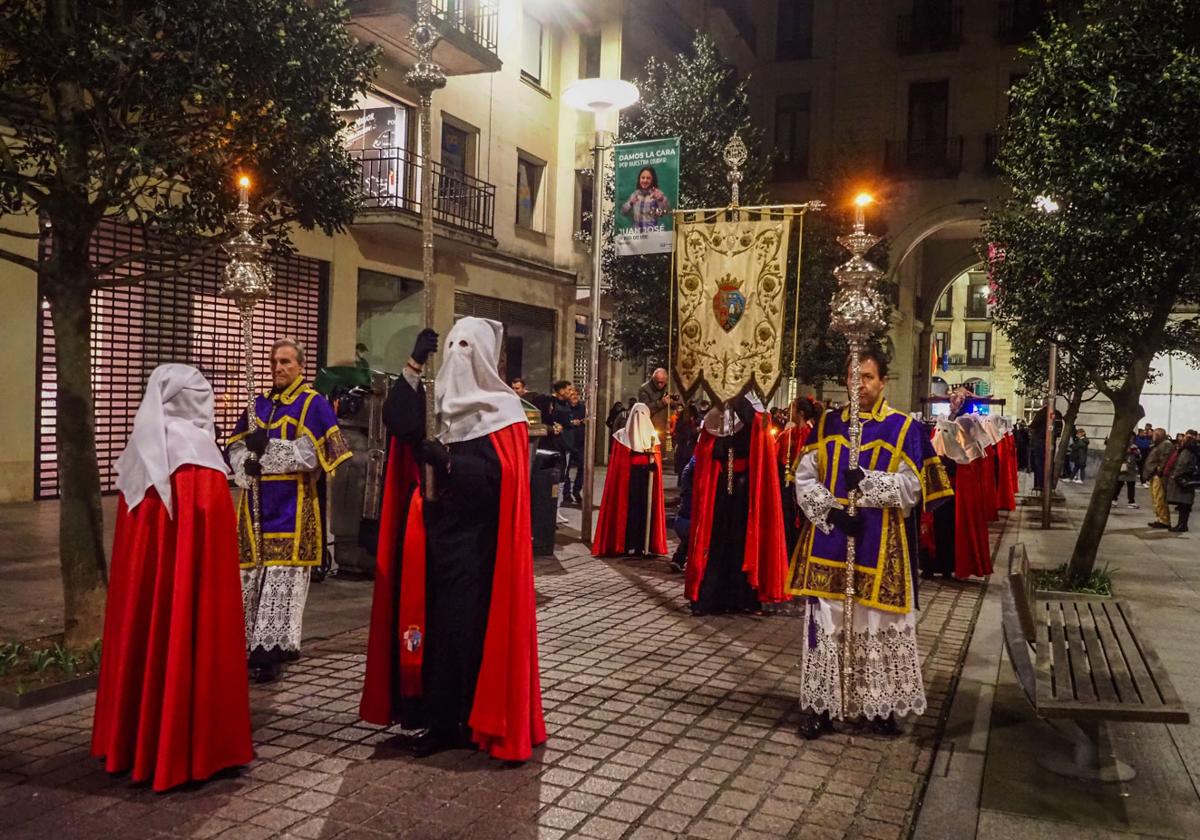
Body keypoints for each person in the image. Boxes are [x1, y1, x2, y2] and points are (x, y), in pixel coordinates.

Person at [360, 319, 546, 761]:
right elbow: (398, 421)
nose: (457, 353)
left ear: (482, 354)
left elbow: (500, 482)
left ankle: (462, 720)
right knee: (426, 627)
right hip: (430, 535)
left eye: (467, 345)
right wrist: (412, 364)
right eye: (449, 345)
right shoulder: (434, 404)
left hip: (476, 546)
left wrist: (447, 464)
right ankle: (430, 716)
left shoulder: (505, 411)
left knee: (461, 632)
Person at [92, 365, 253, 791]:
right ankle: (193, 749)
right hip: (194, 590)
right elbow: (212, 535)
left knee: (145, 631)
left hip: (151, 591)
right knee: (192, 633)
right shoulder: (197, 454)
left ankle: (134, 741)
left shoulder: (139, 454)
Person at [788, 349, 928, 739]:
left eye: (866, 377)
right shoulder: (828, 425)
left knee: (877, 623)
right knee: (826, 625)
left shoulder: (903, 429)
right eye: (853, 377)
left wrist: (866, 483)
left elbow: (913, 487)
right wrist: (830, 511)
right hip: (831, 541)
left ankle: (877, 707)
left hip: (880, 544)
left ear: (883, 381)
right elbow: (803, 477)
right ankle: (821, 706)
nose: (859, 385)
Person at [227, 338, 351, 682]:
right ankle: (248, 643)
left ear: (300, 366)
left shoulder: (313, 404)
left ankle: (271, 650)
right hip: (255, 507)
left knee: (283, 577)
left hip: (293, 505)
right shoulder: (258, 405)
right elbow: (235, 447)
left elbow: (315, 453)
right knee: (252, 577)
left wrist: (268, 449)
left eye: (285, 362)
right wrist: (246, 463)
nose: (278, 368)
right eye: (274, 362)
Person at [684, 393, 788, 615]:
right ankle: (710, 596)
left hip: (745, 487)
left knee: (741, 540)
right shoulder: (719, 410)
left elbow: (760, 448)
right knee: (717, 539)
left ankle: (743, 597)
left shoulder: (756, 413)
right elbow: (707, 447)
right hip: (720, 485)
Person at [593, 403, 668, 558]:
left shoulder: (652, 437)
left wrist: (653, 464)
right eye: (637, 414)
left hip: (646, 479)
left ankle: (643, 545)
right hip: (628, 482)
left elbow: (656, 459)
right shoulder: (621, 436)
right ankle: (625, 545)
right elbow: (619, 465)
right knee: (628, 512)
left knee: (645, 511)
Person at [554, 383, 586, 506]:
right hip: (568, 442)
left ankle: (576, 490)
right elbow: (564, 422)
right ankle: (566, 494)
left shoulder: (582, 408)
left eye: (575, 394)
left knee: (582, 467)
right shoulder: (565, 407)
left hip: (580, 442)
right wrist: (572, 423)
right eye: (570, 393)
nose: (573, 396)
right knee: (565, 469)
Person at [1164, 431, 1198, 534]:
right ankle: (1182, 524)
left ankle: (1182, 525)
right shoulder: (1193, 451)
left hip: (1183, 481)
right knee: (1185, 505)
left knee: (1184, 505)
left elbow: (1181, 466)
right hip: (1188, 480)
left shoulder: (1186, 452)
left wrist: (1175, 475)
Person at [620, 165, 671, 231]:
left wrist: (662, 200)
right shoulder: (635, 194)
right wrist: (630, 203)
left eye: (648, 178)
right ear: (639, 179)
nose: (645, 180)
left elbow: (667, 213)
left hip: (652, 234)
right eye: (642, 178)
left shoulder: (657, 194)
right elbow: (623, 212)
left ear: (652, 180)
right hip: (636, 236)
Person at [1143, 427, 1175, 529]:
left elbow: (1165, 459)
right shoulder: (1160, 444)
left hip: (1158, 475)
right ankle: (1160, 518)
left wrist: (1158, 470)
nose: (1152, 436)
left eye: (1154, 435)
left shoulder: (1166, 444)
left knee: (1159, 498)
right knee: (1155, 498)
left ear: (1158, 435)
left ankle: (1164, 520)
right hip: (1154, 474)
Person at [670, 455, 696, 573]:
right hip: (690, 514)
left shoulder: (692, 463)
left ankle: (678, 559)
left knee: (688, 537)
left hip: (685, 514)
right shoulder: (700, 462)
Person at [638, 368, 671, 440]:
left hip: (667, 428)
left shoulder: (669, 387)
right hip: (651, 428)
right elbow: (645, 409)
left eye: (662, 382)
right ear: (653, 379)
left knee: (668, 450)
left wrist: (673, 402)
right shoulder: (644, 389)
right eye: (657, 382)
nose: (659, 385)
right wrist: (661, 403)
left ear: (666, 380)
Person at [673, 403, 700, 475]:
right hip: (686, 448)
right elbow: (689, 434)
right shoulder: (686, 424)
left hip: (684, 448)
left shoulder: (683, 422)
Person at [1112, 444, 1140, 509]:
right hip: (1124, 468)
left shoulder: (1134, 447)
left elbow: (1139, 458)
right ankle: (1113, 499)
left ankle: (1131, 502)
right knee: (1118, 485)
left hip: (1131, 470)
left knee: (1131, 486)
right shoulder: (1122, 445)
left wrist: (1136, 453)